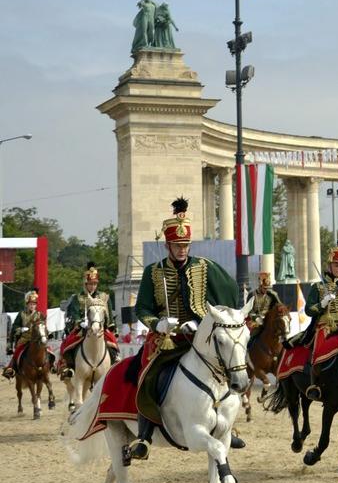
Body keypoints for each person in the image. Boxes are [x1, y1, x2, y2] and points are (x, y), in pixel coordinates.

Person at [125, 198, 241, 462]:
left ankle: (228, 426)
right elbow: (142, 309)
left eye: (185, 245)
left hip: (198, 334)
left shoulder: (205, 267)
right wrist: (158, 323)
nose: (182, 250)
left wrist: (205, 322)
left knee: (227, 366)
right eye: (177, 245)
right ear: (167, 245)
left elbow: (229, 292)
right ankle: (144, 435)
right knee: (146, 372)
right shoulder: (153, 272)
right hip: (166, 338)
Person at [292, 242, 338, 400]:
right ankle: (315, 384)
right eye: (337, 265)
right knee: (319, 350)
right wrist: (322, 304)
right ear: (330, 266)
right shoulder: (317, 287)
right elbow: (309, 310)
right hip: (325, 326)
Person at [58, 261, 117, 375]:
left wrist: (109, 325)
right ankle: (67, 366)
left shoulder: (104, 297)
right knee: (67, 343)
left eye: (95, 283)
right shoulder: (77, 298)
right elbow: (73, 314)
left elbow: (109, 314)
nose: (93, 286)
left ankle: (114, 363)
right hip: (82, 328)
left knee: (113, 343)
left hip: (99, 327)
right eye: (90, 283)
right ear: (85, 284)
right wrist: (80, 322)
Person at [4, 288, 50, 379]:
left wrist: (47, 332)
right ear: (27, 304)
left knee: (48, 351)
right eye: (30, 304)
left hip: (37, 339)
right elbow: (14, 327)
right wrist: (20, 329)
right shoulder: (21, 314)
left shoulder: (40, 315)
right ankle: (12, 368)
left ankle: (51, 366)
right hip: (24, 338)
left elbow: (44, 327)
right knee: (17, 351)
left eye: (34, 304)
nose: (32, 306)